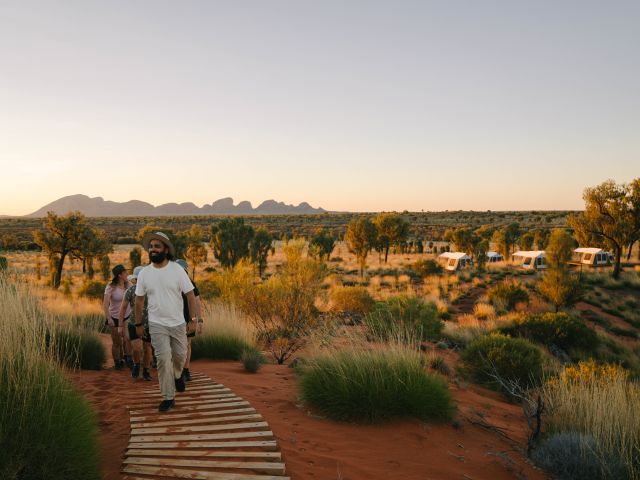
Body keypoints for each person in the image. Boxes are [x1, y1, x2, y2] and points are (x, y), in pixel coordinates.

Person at [135, 232, 197, 412]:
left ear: (166, 250)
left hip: (178, 323)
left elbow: (190, 295)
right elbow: (139, 301)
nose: (153, 250)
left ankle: (178, 374)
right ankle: (168, 397)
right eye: (151, 246)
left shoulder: (177, 270)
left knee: (179, 356)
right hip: (156, 324)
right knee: (162, 360)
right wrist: (139, 324)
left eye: (157, 246)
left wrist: (193, 320)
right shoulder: (145, 274)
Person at [119, 266, 153, 381]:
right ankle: (137, 364)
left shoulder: (152, 290)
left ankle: (146, 370)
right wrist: (120, 325)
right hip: (133, 323)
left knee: (147, 347)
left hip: (149, 323)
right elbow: (123, 308)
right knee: (136, 348)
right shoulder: (131, 291)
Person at [175, 259, 204, 381]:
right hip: (177, 319)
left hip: (187, 319)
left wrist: (199, 321)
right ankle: (182, 371)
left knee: (185, 344)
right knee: (184, 345)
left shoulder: (190, 283)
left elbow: (197, 302)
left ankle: (184, 370)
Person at [103, 264, 131, 370]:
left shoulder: (128, 284)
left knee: (128, 338)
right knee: (117, 342)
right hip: (114, 317)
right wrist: (109, 318)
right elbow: (105, 304)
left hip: (127, 316)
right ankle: (118, 362)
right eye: (125, 272)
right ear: (120, 275)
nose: (127, 274)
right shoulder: (110, 287)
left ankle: (128, 358)